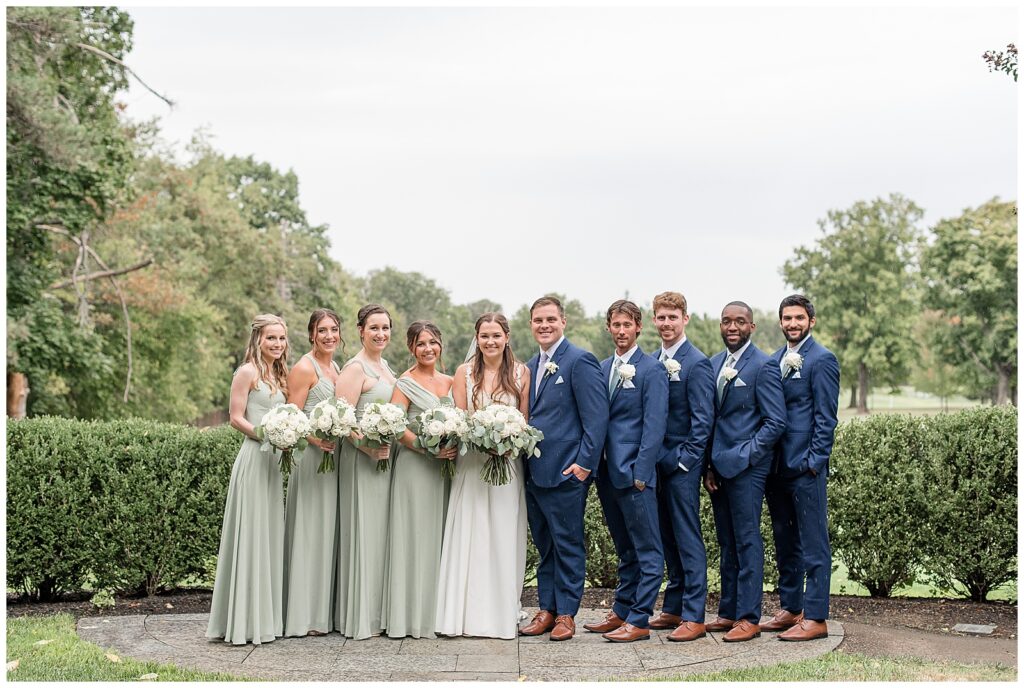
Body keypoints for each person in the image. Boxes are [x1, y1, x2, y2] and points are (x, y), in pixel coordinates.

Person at [436, 312, 531, 639]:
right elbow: (461, 420)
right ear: (477, 338)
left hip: (507, 465)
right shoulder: (463, 373)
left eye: (496, 335)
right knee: (472, 532)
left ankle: (500, 612)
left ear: (507, 337)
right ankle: (465, 614)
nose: (490, 341)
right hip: (473, 464)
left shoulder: (521, 373)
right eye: (484, 336)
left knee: (503, 533)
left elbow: (524, 420)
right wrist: (482, 439)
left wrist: (508, 442)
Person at [520, 296, 608, 642]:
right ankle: (547, 608)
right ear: (531, 325)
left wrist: (584, 465)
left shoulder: (580, 360)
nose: (544, 325)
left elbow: (596, 419)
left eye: (550, 320)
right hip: (534, 473)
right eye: (538, 320)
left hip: (567, 473)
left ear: (563, 322)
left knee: (568, 544)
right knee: (545, 545)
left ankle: (567, 614)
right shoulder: (529, 366)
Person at [583, 300, 667, 643]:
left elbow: (654, 426)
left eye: (626, 325)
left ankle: (640, 619)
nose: (621, 331)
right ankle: (621, 611)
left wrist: (641, 473)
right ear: (608, 328)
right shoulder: (600, 369)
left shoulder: (651, 370)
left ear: (638, 328)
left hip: (635, 475)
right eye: (615, 325)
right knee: (626, 549)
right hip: (606, 474)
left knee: (648, 550)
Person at [704, 301, 787, 642]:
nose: (732, 326)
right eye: (727, 321)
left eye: (740, 321)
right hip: (718, 469)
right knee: (727, 541)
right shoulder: (714, 363)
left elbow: (775, 422)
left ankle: (749, 617)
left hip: (747, 469)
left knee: (747, 540)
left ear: (751, 326)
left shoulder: (764, 366)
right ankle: (728, 611)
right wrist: (709, 464)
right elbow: (711, 419)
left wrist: (745, 455)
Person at [206, 314, 290, 645]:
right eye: (272, 338)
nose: (278, 344)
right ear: (257, 339)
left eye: (282, 338)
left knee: (268, 536)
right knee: (251, 535)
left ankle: (264, 619)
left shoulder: (278, 373)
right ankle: (242, 622)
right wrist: (266, 434)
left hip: (273, 463)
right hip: (254, 459)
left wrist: (286, 435)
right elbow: (235, 418)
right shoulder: (247, 373)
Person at [761, 295, 839, 642]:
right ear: (780, 322)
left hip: (805, 468)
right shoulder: (775, 359)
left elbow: (826, 417)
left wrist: (814, 463)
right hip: (776, 467)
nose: (792, 323)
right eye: (787, 318)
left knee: (813, 543)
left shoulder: (822, 360)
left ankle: (817, 616)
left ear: (812, 321)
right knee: (785, 540)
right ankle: (792, 608)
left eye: (799, 318)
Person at [646, 291, 715, 642]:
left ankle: (694, 615)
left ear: (685, 319)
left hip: (681, 468)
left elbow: (703, 421)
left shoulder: (696, 362)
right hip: (654, 465)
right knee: (667, 538)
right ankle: (672, 608)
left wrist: (686, 462)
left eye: (673, 317)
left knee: (687, 539)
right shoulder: (651, 360)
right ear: (654, 319)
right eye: (661, 317)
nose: (667, 323)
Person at [381, 321, 456, 639]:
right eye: (421, 344)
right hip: (415, 468)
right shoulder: (405, 382)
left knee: (441, 539)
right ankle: (408, 616)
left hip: (445, 472)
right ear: (411, 348)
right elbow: (397, 428)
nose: (428, 349)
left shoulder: (453, 381)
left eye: (433, 342)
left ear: (441, 346)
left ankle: (439, 614)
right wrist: (427, 449)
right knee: (413, 537)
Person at [334, 304, 397, 639]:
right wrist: (368, 448)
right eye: (374, 328)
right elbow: (343, 421)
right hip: (361, 461)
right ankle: (360, 617)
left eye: (385, 328)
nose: (380, 334)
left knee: (381, 536)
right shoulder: (354, 368)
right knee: (364, 533)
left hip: (385, 461)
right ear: (360, 330)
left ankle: (378, 611)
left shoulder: (384, 365)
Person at [282, 308, 343, 637]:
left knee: (326, 533)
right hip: (311, 460)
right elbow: (293, 416)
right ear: (311, 334)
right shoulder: (304, 367)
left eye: (334, 330)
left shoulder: (335, 367)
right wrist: (315, 439)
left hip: (333, 461)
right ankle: (302, 616)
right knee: (309, 531)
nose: (329, 336)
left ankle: (323, 613)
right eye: (322, 331)